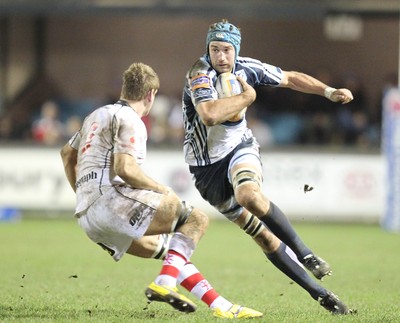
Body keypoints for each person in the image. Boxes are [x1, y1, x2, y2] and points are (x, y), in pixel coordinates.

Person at [60, 62, 262, 319]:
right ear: (151, 94)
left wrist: (82, 194)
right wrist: (162, 189)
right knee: (196, 219)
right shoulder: (131, 119)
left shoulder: (95, 116)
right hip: (111, 203)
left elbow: (67, 154)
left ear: (125, 89)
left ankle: (221, 306)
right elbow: (126, 168)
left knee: (172, 251)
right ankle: (164, 285)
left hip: (88, 218)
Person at [182, 19, 356, 315]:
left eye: (226, 50)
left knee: (249, 195)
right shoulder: (200, 74)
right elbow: (209, 114)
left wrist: (328, 91)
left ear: (235, 50)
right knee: (262, 236)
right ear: (207, 50)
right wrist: (247, 97)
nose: (220, 57)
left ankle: (307, 255)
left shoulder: (248, 67)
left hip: (240, 148)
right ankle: (322, 295)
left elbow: (289, 78)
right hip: (205, 170)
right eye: (214, 50)